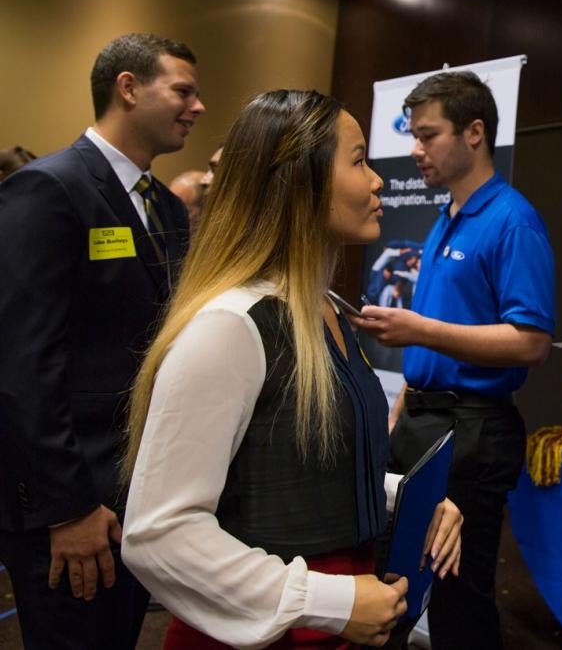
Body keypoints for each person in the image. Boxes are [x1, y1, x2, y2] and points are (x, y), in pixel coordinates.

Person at [120, 89, 463, 649]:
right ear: (298, 184)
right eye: (358, 162)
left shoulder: (321, 308)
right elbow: (158, 534)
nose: (377, 181)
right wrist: (330, 599)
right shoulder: (231, 326)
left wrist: (405, 498)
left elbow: (296, 470)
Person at [0, 32, 203, 649]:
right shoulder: (48, 190)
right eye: (183, 91)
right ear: (129, 88)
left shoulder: (164, 206)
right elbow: (20, 365)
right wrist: (68, 509)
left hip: (135, 496)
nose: (196, 107)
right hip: (73, 507)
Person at [353, 70, 556, 650]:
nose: (415, 150)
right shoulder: (449, 215)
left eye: (427, 135)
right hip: (425, 417)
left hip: (473, 426)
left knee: (457, 591)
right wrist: (404, 401)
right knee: (397, 575)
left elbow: (531, 342)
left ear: (474, 132)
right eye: (413, 136)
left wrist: (419, 331)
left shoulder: (512, 220)